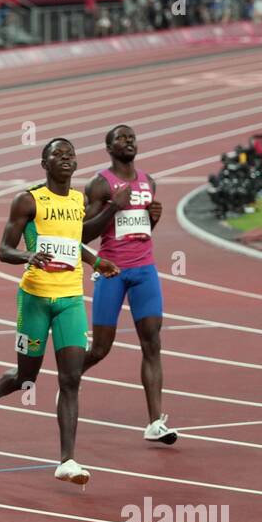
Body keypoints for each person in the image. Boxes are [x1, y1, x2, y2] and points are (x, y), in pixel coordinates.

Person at [0, 138, 121, 484]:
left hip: (70, 300)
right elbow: (5, 249)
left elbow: (72, 241)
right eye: (58, 155)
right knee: (26, 378)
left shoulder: (80, 200)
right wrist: (28, 256)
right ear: (44, 163)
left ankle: (67, 460)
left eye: (70, 155)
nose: (66, 159)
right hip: (35, 299)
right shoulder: (29, 200)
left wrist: (97, 260)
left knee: (71, 378)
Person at [81, 125, 177, 444]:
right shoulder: (99, 184)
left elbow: (142, 227)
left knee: (152, 343)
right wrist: (112, 206)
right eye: (121, 138)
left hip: (144, 270)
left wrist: (155, 218)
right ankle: (70, 381)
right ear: (109, 148)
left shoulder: (149, 181)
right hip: (113, 271)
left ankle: (155, 422)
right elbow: (83, 234)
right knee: (100, 348)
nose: (128, 141)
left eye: (132, 137)